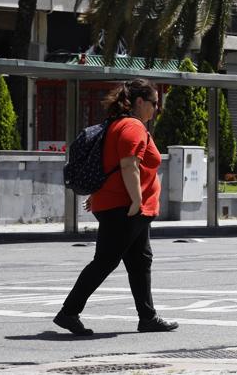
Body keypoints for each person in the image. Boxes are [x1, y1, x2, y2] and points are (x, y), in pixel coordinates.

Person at [54, 79, 177, 336]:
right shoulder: (132, 126)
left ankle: (148, 317)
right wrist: (136, 200)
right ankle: (68, 312)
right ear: (140, 102)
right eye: (154, 103)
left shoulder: (116, 124)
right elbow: (128, 164)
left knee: (140, 261)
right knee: (105, 261)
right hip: (126, 208)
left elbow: (109, 165)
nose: (156, 108)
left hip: (121, 205)